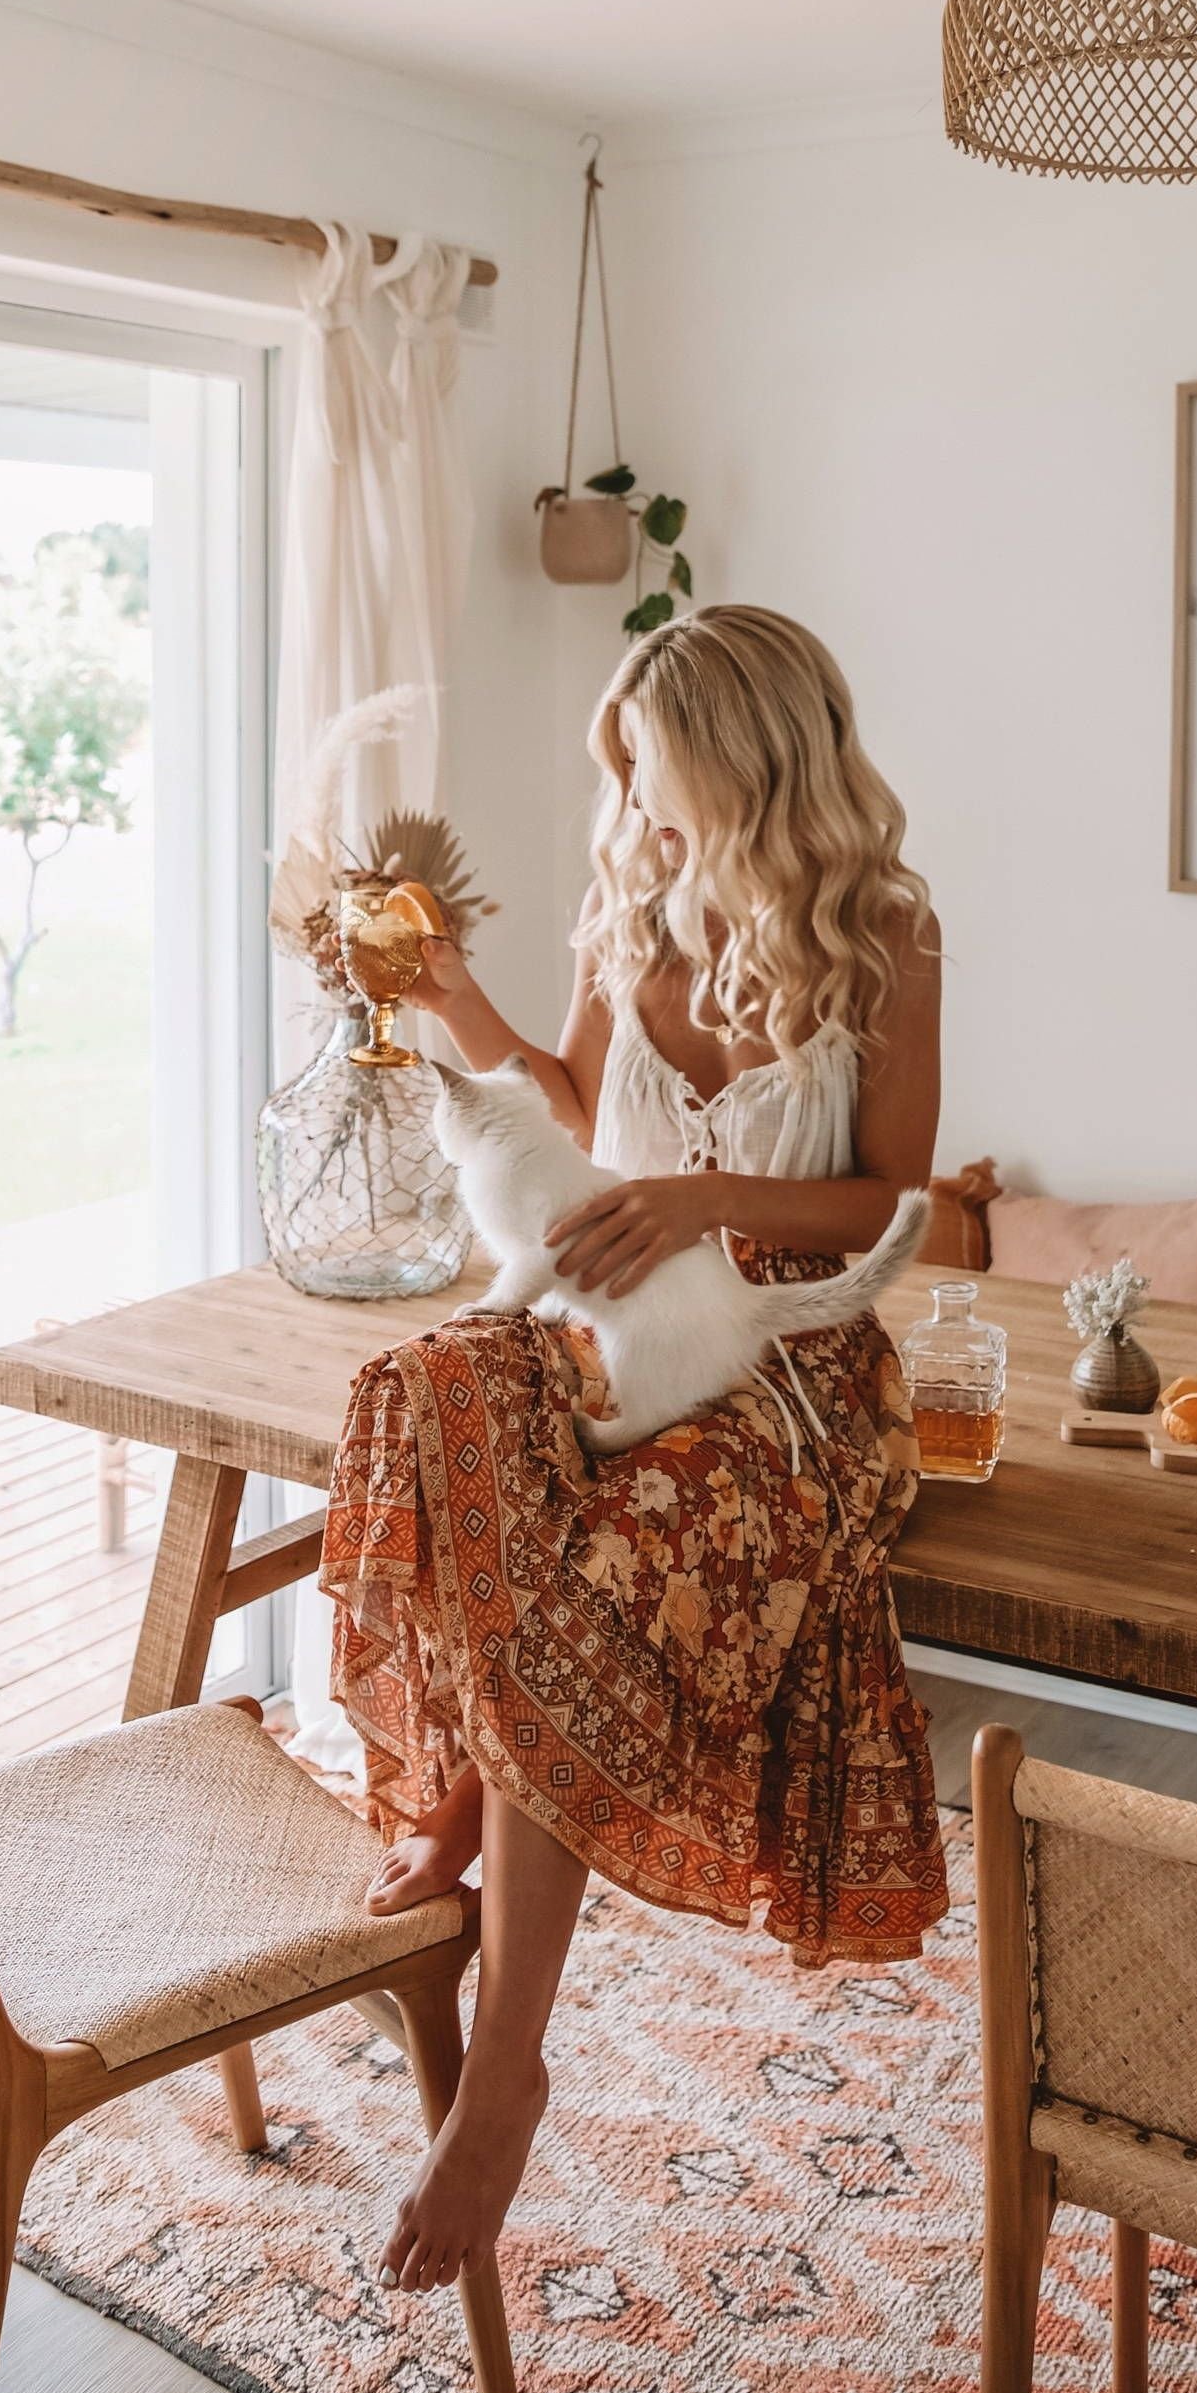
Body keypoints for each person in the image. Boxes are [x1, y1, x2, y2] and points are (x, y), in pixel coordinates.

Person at [320, 602, 950, 2298]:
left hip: (797, 1362)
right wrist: (453, 995)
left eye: (650, 767)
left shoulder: (885, 932)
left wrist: (701, 1199)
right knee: (436, 1389)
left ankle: (504, 2073)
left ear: (746, 759)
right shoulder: (633, 908)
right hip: (623, 1326)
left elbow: (897, 1199)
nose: (632, 801)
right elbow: (565, 1099)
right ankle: (478, 1778)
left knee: (625, 1529)